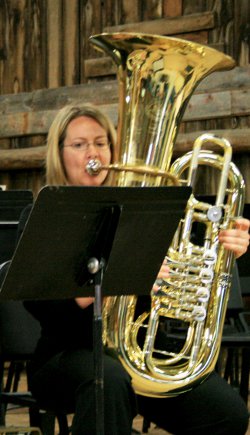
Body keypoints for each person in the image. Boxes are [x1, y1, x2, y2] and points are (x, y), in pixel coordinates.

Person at [20, 102, 249, 435]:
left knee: (226, 413)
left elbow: (183, 273)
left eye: (101, 143)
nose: (92, 153)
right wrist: (126, 271)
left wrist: (225, 251)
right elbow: (45, 304)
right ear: (60, 153)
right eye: (80, 144)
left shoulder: (142, 211)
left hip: (138, 351)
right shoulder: (42, 214)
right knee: (108, 380)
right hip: (66, 355)